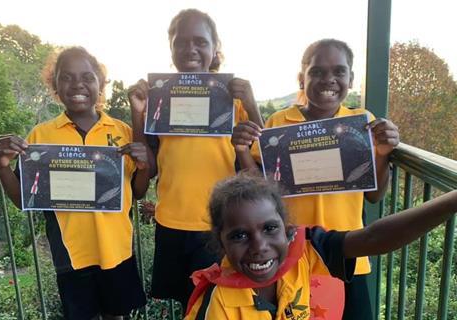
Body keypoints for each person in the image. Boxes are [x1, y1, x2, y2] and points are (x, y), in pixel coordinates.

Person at [231, 38, 400, 318]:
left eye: (339, 72)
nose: (328, 79)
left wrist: (383, 153)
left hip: (348, 255)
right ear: (302, 78)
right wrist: (242, 150)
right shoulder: (278, 123)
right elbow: (262, 189)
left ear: (351, 78)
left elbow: (374, 195)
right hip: (293, 257)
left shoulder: (363, 122)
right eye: (317, 72)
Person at [0, 47, 150, 320]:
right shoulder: (40, 135)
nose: (78, 84)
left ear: (101, 84)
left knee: (117, 315)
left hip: (116, 248)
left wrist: (145, 165)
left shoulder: (122, 131)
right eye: (67, 77)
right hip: (70, 254)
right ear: (55, 85)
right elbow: (23, 199)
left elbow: (138, 191)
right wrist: (2, 165)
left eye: (87, 77)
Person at [127, 8, 264, 309]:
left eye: (200, 42)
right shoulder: (158, 98)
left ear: (215, 49)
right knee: (183, 302)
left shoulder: (233, 97)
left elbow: (266, 156)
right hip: (172, 222)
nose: (190, 49)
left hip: (218, 223)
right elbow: (146, 167)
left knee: (216, 302)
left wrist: (252, 106)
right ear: (171, 48)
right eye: (181, 42)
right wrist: (138, 113)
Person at [185, 173, 457, 320]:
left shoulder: (303, 251)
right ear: (220, 240)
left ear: (288, 230)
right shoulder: (217, 304)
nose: (259, 246)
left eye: (270, 229)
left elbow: (374, 237)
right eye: (239, 236)